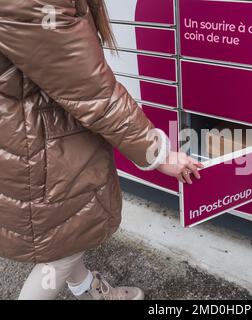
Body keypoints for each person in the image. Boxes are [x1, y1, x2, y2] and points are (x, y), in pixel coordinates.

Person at [0, 0, 202, 300]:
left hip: (29, 133)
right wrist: (156, 152)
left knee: (67, 232)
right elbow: (93, 92)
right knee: (56, 260)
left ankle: (87, 290)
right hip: (38, 144)